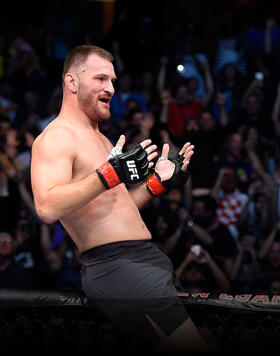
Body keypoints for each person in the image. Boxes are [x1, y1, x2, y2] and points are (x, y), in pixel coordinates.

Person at [30, 45, 206, 355]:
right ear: (71, 82)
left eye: (112, 81)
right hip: (119, 267)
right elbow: (46, 207)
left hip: (143, 260)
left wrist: (157, 183)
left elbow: (116, 207)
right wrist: (109, 174)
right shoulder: (57, 136)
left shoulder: (100, 137)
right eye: (100, 79)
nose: (111, 88)